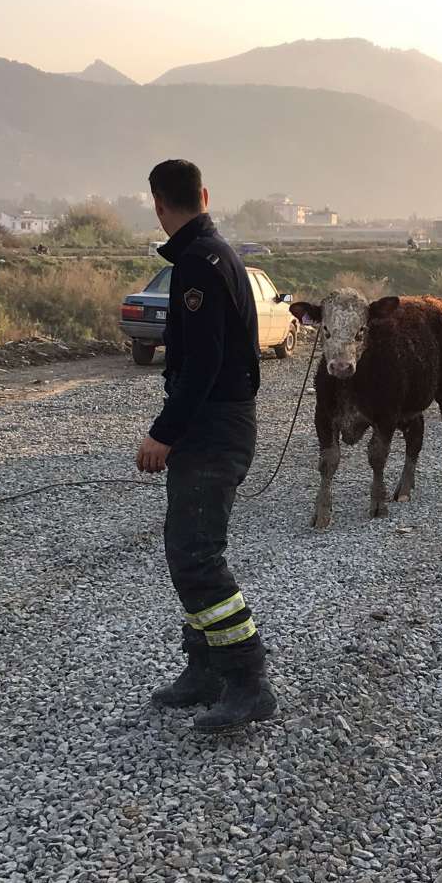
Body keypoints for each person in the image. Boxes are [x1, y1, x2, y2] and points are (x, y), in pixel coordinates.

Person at [135, 159, 277, 733]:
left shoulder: (197, 264)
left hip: (213, 428)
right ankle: (205, 670)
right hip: (221, 422)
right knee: (187, 548)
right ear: (204, 195)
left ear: (159, 205)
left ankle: (247, 680)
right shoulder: (218, 252)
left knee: (196, 555)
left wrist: (162, 434)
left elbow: (201, 365)